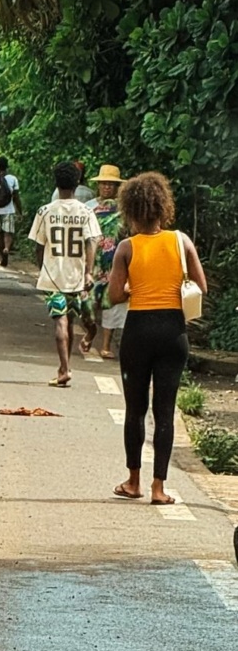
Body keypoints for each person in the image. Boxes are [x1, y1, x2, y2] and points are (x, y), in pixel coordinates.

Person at [107, 172, 207, 505]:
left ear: (131, 210)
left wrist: (133, 288)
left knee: (135, 409)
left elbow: (114, 296)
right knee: (165, 411)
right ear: (163, 207)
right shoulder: (181, 241)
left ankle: (133, 481)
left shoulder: (126, 248)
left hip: (138, 332)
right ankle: (158, 488)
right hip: (172, 332)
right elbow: (201, 287)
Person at [28, 161, 101, 387]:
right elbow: (92, 241)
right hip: (77, 278)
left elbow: (39, 245)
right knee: (75, 320)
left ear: (56, 183)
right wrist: (88, 272)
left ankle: (64, 369)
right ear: (77, 183)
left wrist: (42, 268)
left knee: (60, 321)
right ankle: (70, 360)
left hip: (53, 278)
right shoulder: (86, 212)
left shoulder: (45, 211)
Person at [80, 163, 129, 359]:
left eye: (111, 184)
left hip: (115, 261)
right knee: (88, 302)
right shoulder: (88, 207)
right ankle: (90, 333)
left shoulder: (124, 210)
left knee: (112, 302)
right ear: (98, 185)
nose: (107, 187)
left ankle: (106, 345)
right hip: (92, 262)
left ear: (117, 187)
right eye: (104, 183)